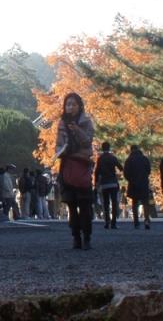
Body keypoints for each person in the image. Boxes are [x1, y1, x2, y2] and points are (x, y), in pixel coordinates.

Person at [54, 91, 96, 250]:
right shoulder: (61, 123)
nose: (70, 107)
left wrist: (77, 129)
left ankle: (87, 237)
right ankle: (75, 237)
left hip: (82, 165)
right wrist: (60, 151)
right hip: (67, 165)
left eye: (73, 104)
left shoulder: (86, 122)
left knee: (84, 205)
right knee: (71, 205)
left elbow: (88, 141)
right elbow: (58, 145)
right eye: (68, 104)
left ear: (79, 106)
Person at [123, 144, 152, 229]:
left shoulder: (129, 160)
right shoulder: (144, 159)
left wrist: (131, 179)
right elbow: (148, 170)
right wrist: (144, 177)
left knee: (135, 203)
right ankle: (146, 220)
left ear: (131, 150)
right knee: (145, 202)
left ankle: (136, 222)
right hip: (143, 183)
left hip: (133, 184)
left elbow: (125, 173)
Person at [94, 142, 123, 229]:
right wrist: (118, 176)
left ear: (102, 148)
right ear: (109, 148)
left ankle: (107, 222)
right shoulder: (112, 157)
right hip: (113, 183)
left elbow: (97, 172)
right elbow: (121, 168)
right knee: (114, 203)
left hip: (104, 183)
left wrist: (96, 183)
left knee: (106, 203)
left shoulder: (100, 159)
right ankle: (114, 222)